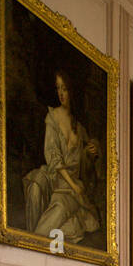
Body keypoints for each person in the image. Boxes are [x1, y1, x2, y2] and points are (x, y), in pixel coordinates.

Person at [24, 70, 102, 244]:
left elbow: (86, 166)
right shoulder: (52, 117)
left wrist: (90, 153)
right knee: (35, 185)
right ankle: (31, 243)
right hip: (55, 177)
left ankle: (32, 244)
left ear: (71, 91)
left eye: (64, 89)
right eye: (58, 88)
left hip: (69, 186)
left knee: (59, 210)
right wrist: (74, 185)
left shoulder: (79, 129)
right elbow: (52, 155)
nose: (61, 93)